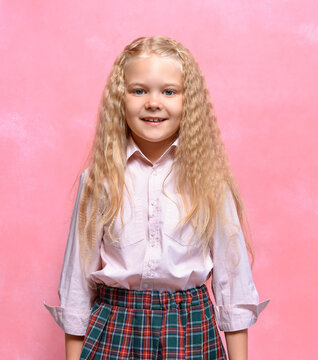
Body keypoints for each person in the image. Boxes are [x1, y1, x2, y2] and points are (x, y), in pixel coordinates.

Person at [44, 36, 269, 360]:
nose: (153, 102)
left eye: (168, 91)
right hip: (116, 327)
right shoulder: (99, 179)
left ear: (187, 101)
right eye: (139, 90)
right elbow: (77, 283)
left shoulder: (209, 180)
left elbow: (233, 285)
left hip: (190, 328)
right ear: (119, 100)